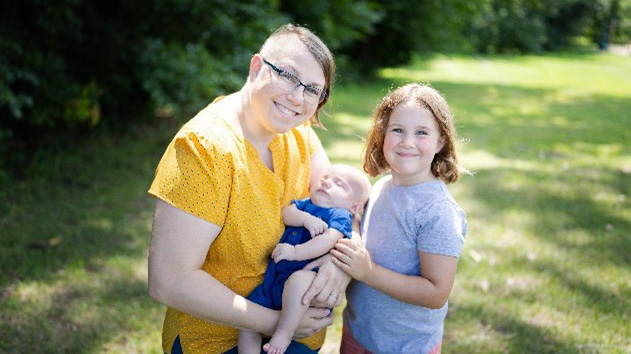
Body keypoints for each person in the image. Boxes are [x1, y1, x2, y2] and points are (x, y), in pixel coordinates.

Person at [147, 24, 351, 354]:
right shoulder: (203, 148)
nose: (297, 98)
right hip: (216, 340)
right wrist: (278, 323)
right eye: (288, 75)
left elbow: (346, 212)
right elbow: (168, 280)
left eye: (313, 89)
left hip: (296, 337)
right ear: (256, 67)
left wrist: (338, 267)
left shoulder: (299, 134)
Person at [331, 83, 467, 354]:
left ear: (441, 141)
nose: (407, 142)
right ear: (382, 135)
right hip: (358, 333)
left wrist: (368, 272)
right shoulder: (381, 187)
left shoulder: (437, 211)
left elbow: (436, 293)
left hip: (406, 347)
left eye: (421, 133)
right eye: (397, 130)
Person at [239, 164, 371, 354]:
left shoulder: (339, 215)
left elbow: (328, 240)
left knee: (298, 281)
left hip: (306, 278)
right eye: (326, 177)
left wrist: (295, 252)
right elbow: (287, 212)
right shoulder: (306, 204)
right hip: (275, 281)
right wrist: (306, 219)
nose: (326, 181)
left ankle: (284, 333)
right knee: (248, 324)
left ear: (354, 207)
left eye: (338, 184)